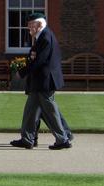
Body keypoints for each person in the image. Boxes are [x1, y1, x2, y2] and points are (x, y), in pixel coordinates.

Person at [10, 13, 73, 150]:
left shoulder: (45, 37)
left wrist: (22, 72)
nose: (28, 28)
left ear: (39, 25)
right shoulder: (42, 36)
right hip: (40, 81)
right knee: (30, 110)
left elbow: (40, 61)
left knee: (50, 111)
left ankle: (63, 138)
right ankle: (27, 139)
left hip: (45, 81)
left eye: (31, 25)